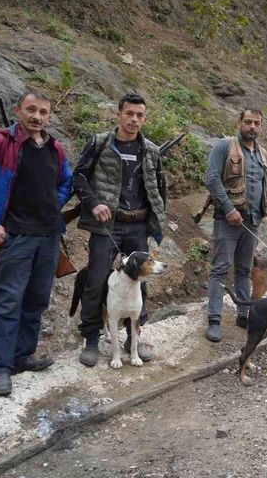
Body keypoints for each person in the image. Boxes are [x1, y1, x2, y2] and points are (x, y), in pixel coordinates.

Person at [0, 90, 73, 396]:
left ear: (49, 116)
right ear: (18, 110)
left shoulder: (55, 147)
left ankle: (22, 357)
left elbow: (66, 181)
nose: (37, 116)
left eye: (43, 112)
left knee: (37, 301)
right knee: (9, 303)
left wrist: (55, 204)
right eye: (31, 109)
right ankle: (0, 369)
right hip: (16, 236)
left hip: (49, 236)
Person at [73, 93, 167, 367]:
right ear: (119, 115)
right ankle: (91, 338)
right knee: (96, 279)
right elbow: (78, 176)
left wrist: (156, 224)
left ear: (144, 118)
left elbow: (160, 189)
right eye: (129, 113)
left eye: (139, 115)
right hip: (106, 225)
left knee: (142, 281)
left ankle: (132, 338)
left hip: (137, 224)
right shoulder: (100, 143)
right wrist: (92, 203)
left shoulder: (151, 150)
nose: (134, 119)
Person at [204, 108, 267, 342]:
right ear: (239, 123)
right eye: (248, 122)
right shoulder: (224, 146)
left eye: (257, 123)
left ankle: (243, 314)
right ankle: (215, 320)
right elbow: (211, 178)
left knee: (244, 270)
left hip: (253, 221)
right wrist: (228, 209)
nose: (252, 126)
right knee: (220, 269)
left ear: (261, 126)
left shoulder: (264, 155)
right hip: (226, 220)